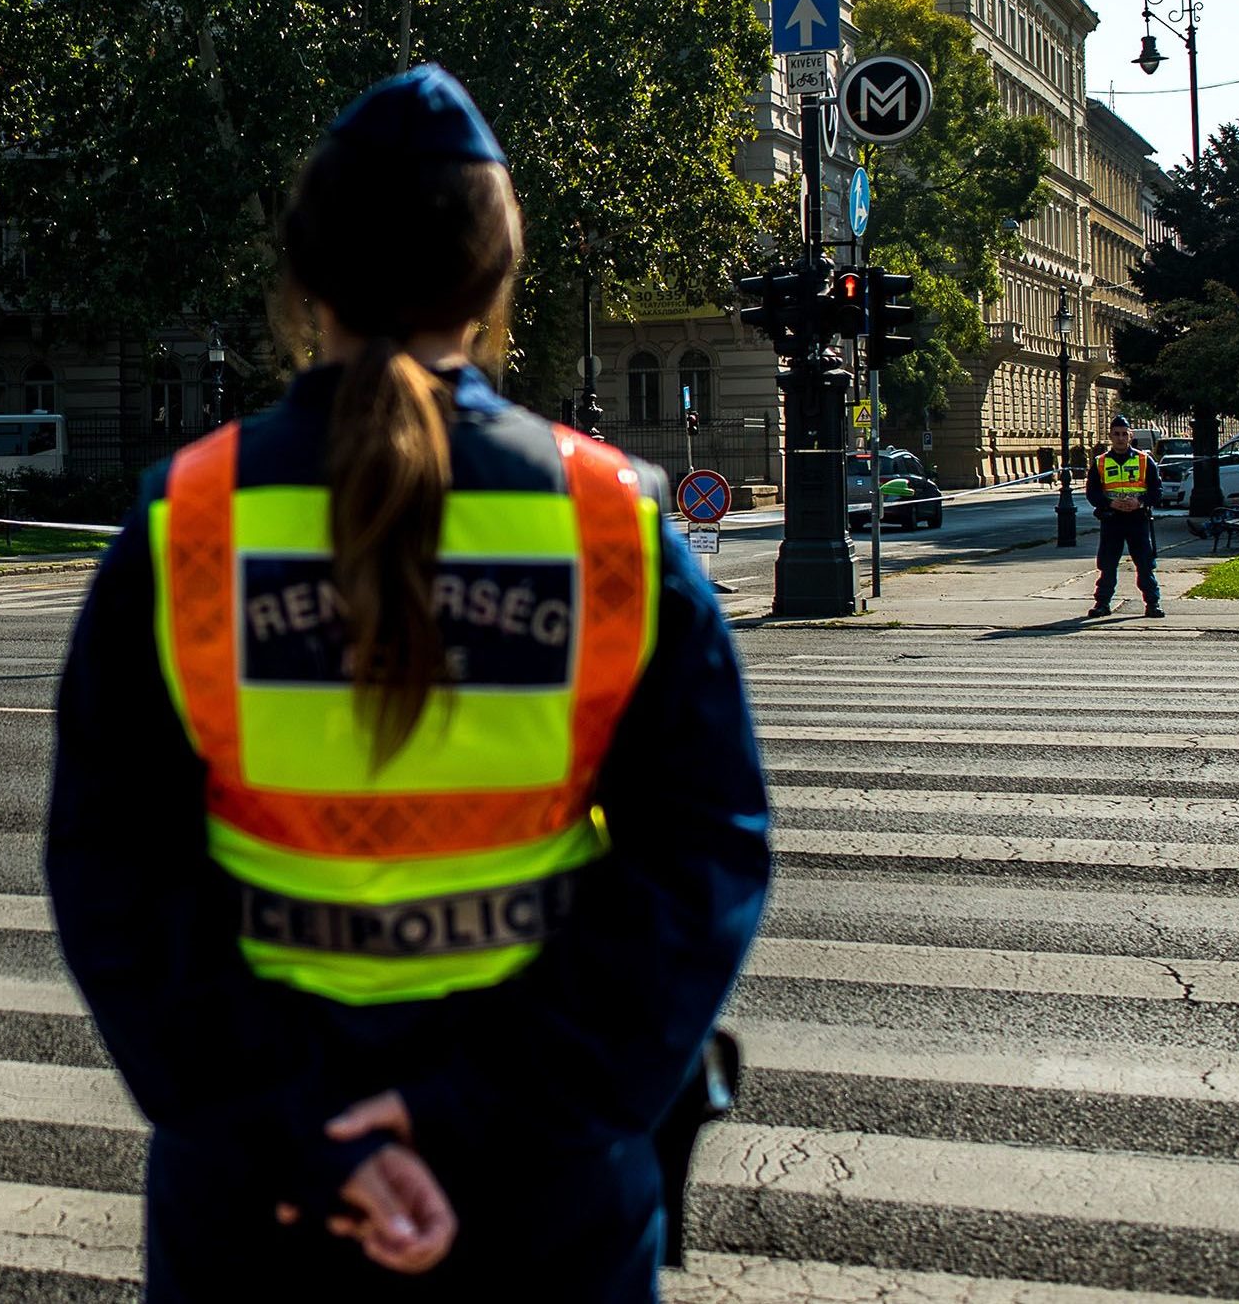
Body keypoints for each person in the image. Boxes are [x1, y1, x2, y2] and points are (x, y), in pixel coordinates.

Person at [46, 64, 773, 1300]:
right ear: (495, 281)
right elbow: (703, 855)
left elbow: (117, 870)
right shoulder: (610, 525)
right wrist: (486, 1110)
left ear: (302, 275)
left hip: (267, 1185)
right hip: (541, 1179)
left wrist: (293, 1121)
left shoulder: (189, 523)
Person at [1088, 414, 1163, 618]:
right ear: (1110, 437)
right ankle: (1102, 604)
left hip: (1137, 519)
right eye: (1116, 434)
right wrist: (1109, 503)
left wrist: (1139, 502)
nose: (1120, 438)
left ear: (1130, 436)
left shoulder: (1144, 460)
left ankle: (1153, 604)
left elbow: (1157, 491)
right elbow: (1092, 493)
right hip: (1112, 519)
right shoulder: (1100, 462)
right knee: (1108, 564)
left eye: (1124, 434)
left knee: (1145, 563)